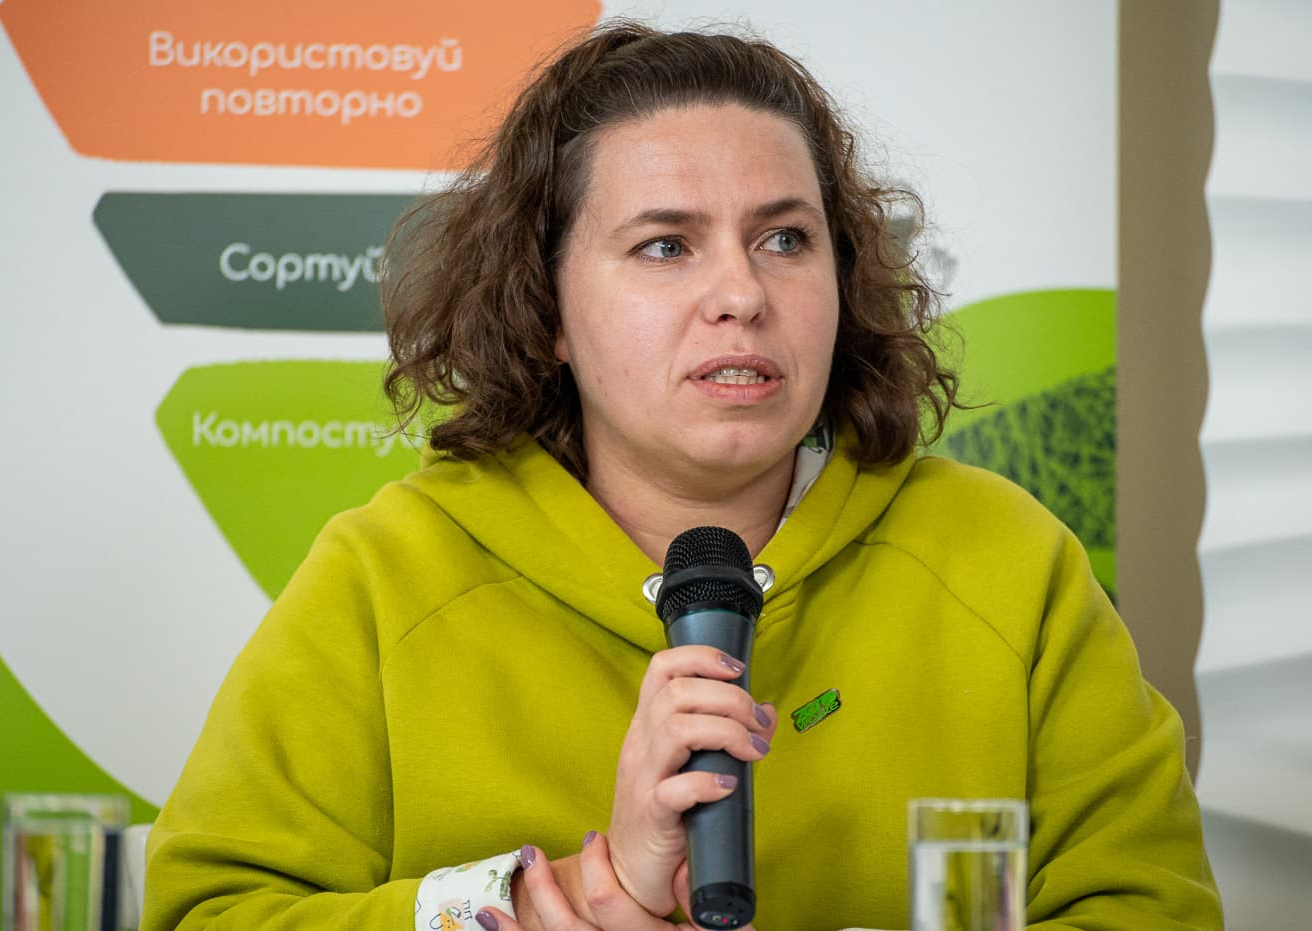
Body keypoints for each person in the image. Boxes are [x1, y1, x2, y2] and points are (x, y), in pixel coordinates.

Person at [141, 19, 1224, 931]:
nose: (741, 294)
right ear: (546, 307)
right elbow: (207, 912)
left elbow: (1154, 908)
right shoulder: (385, 575)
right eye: (666, 245)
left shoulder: (1008, 562)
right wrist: (551, 904)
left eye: (785, 239)